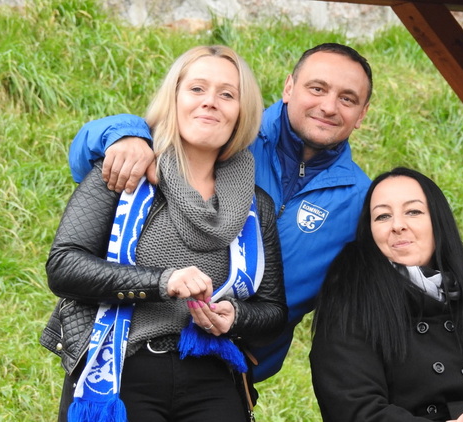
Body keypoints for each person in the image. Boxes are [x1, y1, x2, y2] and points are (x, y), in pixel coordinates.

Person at [66, 43, 463, 383]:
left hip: (235, 363)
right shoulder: (230, 131)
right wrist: (125, 132)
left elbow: (409, 253)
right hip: (133, 344)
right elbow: (99, 151)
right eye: (317, 89)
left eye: (347, 99)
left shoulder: (359, 198)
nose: (329, 106)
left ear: (362, 114)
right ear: (288, 88)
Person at [40, 45, 287, 422]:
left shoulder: (257, 205)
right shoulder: (124, 170)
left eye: (227, 94)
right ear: (173, 98)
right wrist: (162, 281)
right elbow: (64, 266)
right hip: (123, 368)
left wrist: (235, 317)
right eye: (197, 89)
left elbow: (272, 310)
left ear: (242, 112)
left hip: (212, 374)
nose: (210, 102)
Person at [309, 167, 463, 422]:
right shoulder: (350, 299)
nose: (397, 225)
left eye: (413, 211)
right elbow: (354, 411)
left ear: (438, 222)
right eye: (382, 216)